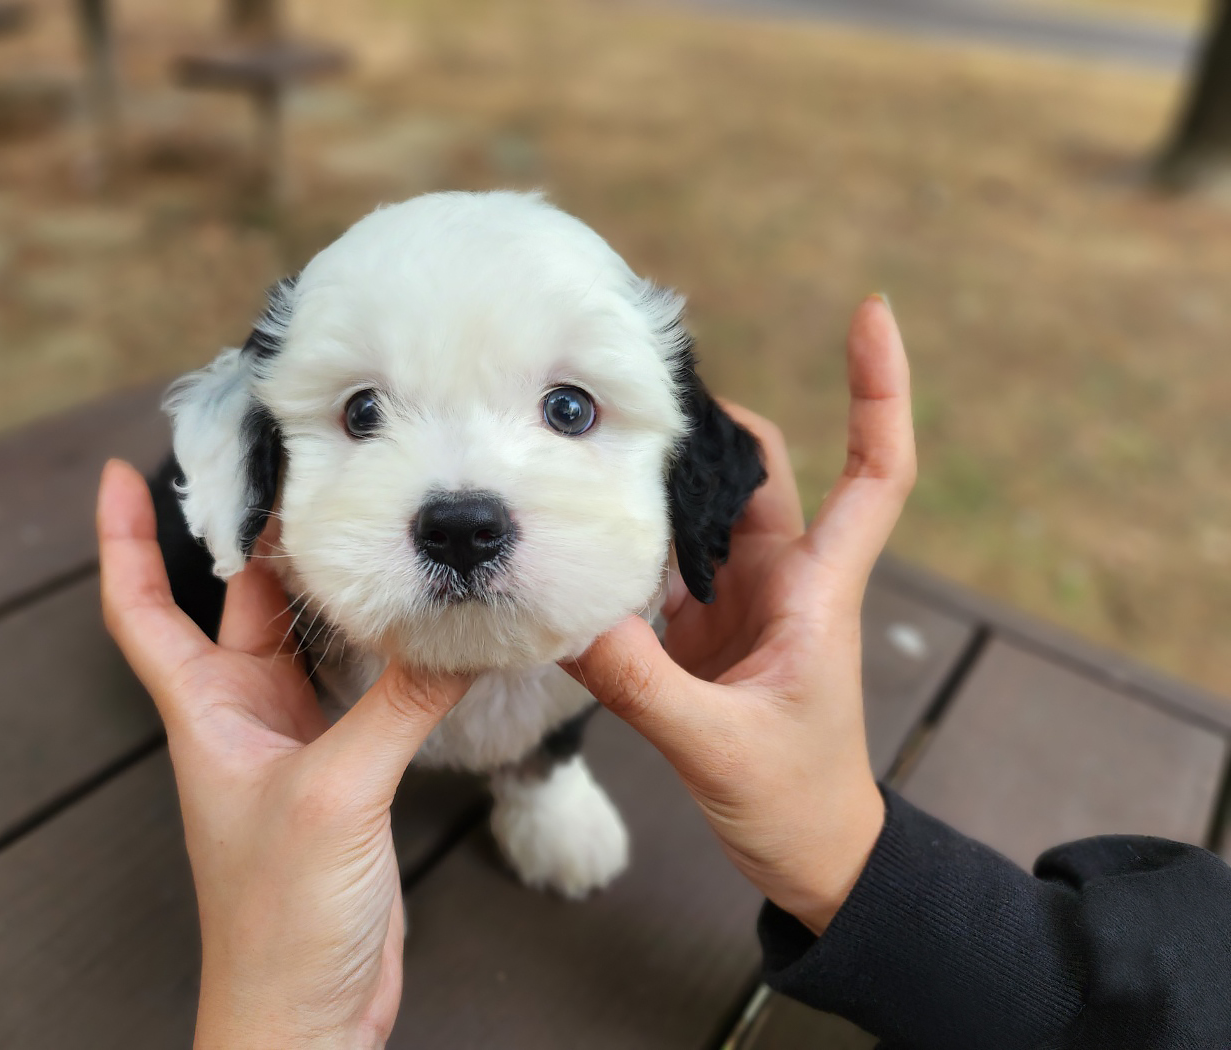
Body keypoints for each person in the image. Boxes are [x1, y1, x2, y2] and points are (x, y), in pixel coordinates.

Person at [97, 296, 1231, 1050]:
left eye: (567, 410)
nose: (465, 496)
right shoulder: (247, 536)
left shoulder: (631, 591)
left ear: (682, 462)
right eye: (363, 412)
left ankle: (535, 776)